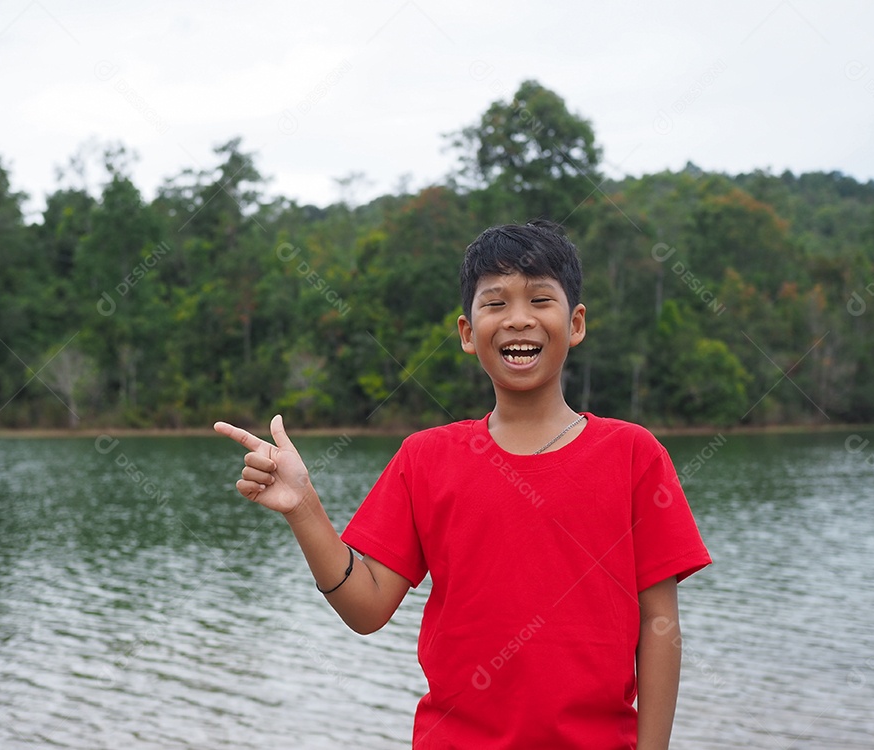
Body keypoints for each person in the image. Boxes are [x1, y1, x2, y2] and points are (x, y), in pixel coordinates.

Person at [214, 220, 711, 749]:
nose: (519, 319)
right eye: (495, 304)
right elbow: (367, 609)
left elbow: (659, 623)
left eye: (541, 299)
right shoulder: (426, 458)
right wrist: (303, 507)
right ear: (468, 333)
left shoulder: (633, 455)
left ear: (577, 322)